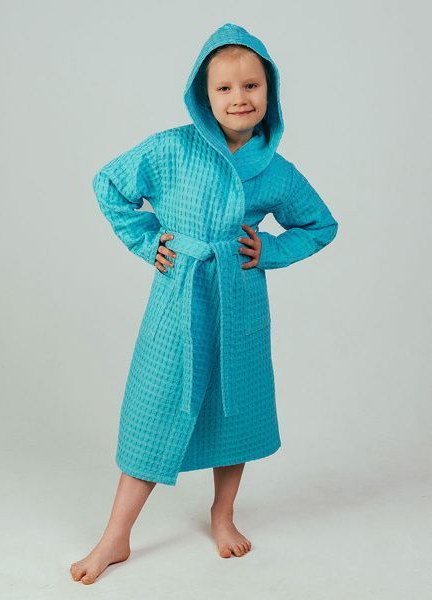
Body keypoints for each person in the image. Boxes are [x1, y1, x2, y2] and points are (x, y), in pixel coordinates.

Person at [70, 22, 338, 584]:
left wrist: (269, 250)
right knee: (153, 407)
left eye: (252, 86)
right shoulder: (171, 148)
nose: (240, 97)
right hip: (180, 295)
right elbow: (109, 184)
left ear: (270, 92)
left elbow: (320, 225)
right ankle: (116, 535)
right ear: (203, 95)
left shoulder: (275, 170)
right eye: (225, 88)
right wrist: (148, 241)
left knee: (233, 405)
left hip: (238, 298)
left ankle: (223, 514)